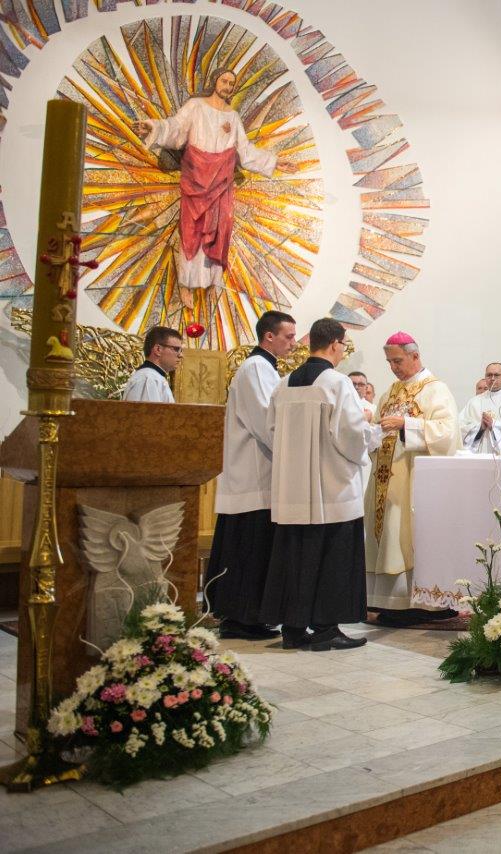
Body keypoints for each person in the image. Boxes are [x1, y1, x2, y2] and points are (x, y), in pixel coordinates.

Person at [131, 68, 298, 309]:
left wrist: (275, 162)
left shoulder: (233, 117)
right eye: (224, 81)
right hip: (197, 178)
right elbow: (176, 128)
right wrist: (154, 128)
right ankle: (186, 284)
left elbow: (245, 151)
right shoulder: (196, 106)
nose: (228, 86)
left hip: (221, 182)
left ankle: (211, 283)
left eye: (231, 83)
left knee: (220, 230)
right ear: (215, 82)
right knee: (192, 230)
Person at [260, 318, 378, 650]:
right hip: (330, 490)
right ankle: (326, 629)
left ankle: (293, 629)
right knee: (331, 557)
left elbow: (271, 431)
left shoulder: (285, 383)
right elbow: (351, 435)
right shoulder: (336, 383)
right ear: (335, 344)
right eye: (343, 346)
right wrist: (374, 433)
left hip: (291, 490)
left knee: (295, 558)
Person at [206, 310, 295, 640]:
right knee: (248, 551)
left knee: (252, 549)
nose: (293, 343)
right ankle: (241, 619)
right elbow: (266, 422)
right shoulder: (256, 368)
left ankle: (250, 617)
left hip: (258, 476)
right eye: (288, 336)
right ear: (269, 336)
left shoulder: (264, 368)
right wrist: (296, 449)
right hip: (253, 477)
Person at [365, 332, 461, 626]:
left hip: (415, 483)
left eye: (397, 361)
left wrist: (406, 424)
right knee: (389, 536)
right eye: (389, 362)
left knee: (408, 536)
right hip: (385, 481)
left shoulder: (436, 390)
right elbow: (376, 430)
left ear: (415, 356)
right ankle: (390, 601)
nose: (393, 367)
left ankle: (424, 604)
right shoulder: (390, 393)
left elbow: (447, 433)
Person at [122, 325, 181, 402]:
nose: (181, 355)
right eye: (176, 349)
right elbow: (147, 410)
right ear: (158, 349)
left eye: (181, 350)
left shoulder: (154, 377)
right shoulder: (148, 378)